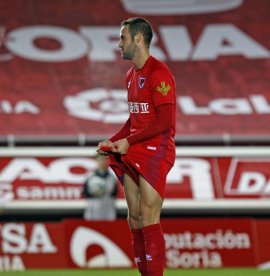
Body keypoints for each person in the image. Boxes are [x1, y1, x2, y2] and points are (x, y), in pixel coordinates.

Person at [97, 18, 176, 276]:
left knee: (148, 215)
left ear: (138, 39)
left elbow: (165, 121)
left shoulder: (159, 73)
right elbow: (134, 120)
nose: (119, 44)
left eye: (123, 38)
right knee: (134, 218)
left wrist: (128, 141)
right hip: (135, 146)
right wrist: (114, 139)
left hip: (156, 148)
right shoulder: (130, 75)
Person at [83, 154, 118, 221]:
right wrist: (95, 193)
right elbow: (86, 193)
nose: (102, 162)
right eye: (100, 160)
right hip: (93, 211)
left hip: (108, 210)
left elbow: (114, 194)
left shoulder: (112, 178)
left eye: (104, 160)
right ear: (96, 161)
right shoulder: (89, 177)